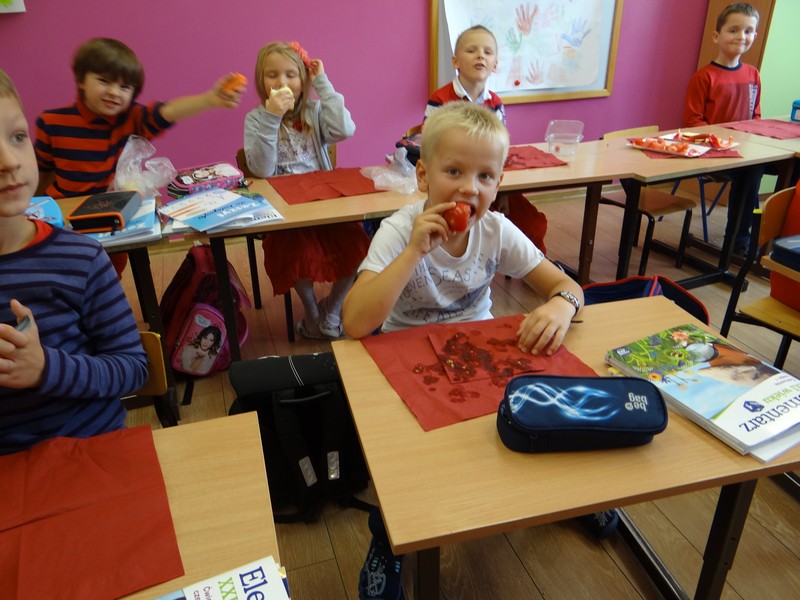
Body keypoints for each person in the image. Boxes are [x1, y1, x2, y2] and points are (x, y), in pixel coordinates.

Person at [341, 102, 611, 599]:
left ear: (498, 184)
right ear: (423, 176)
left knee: (544, 407)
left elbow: (566, 285)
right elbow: (355, 322)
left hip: (479, 350)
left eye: (485, 176)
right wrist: (413, 251)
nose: (470, 188)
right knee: (401, 454)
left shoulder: (496, 230)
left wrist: (562, 305)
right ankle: (388, 535)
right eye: (454, 172)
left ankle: (572, 494)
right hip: (408, 352)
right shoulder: (400, 230)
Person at [0, 68, 148, 456]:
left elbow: (133, 368)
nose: (9, 161)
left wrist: (45, 368)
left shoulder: (80, 258)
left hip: (91, 451)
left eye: (17, 137)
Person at [34, 37, 246, 274]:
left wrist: (209, 99)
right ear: (81, 80)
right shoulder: (51, 122)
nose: (114, 92)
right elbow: (40, 174)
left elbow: (167, 112)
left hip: (110, 221)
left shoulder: (130, 117)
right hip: (64, 225)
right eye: (104, 81)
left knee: (107, 276)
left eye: (124, 87)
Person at [243, 41, 369, 339]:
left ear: (303, 80)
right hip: (286, 209)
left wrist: (322, 84)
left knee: (358, 247)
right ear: (261, 81)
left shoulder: (314, 111)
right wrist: (272, 117)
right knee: (297, 254)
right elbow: (261, 169)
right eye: (272, 75)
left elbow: (345, 130)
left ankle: (333, 311)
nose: (282, 82)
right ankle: (312, 315)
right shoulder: (256, 119)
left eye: (291, 75)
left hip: (322, 202)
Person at [424, 24, 548, 254]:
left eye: (488, 52)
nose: (480, 55)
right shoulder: (440, 99)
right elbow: (430, 146)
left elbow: (499, 154)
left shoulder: (496, 103)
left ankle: (533, 266)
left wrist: (503, 193)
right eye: (471, 50)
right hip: (456, 184)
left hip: (488, 182)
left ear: (495, 64)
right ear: (455, 61)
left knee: (534, 223)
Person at [683, 3, 762, 255]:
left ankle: (776, 240)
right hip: (713, 152)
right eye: (734, 30)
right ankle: (738, 242)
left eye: (748, 31)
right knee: (751, 172)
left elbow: (755, 116)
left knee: (790, 167)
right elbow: (693, 123)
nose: (741, 36)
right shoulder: (704, 77)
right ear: (717, 36)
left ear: (755, 35)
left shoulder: (753, 74)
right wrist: (725, 141)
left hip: (743, 151)